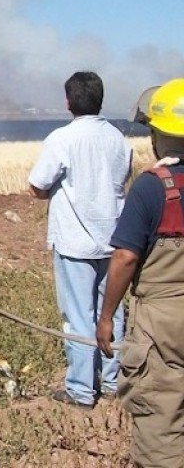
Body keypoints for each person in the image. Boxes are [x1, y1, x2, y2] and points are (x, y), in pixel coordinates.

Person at [28, 71, 132, 409]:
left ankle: (81, 391)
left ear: (68, 101)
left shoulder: (62, 138)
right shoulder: (119, 138)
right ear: (100, 99)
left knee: (78, 316)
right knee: (113, 313)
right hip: (115, 241)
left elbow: (38, 185)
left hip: (74, 242)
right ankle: (113, 382)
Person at [97, 78, 184, 467]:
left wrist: (105, 317)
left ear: (157, 135)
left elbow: (126, 258)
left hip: (162, 322)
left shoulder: (152, 188)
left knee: (160, 418)